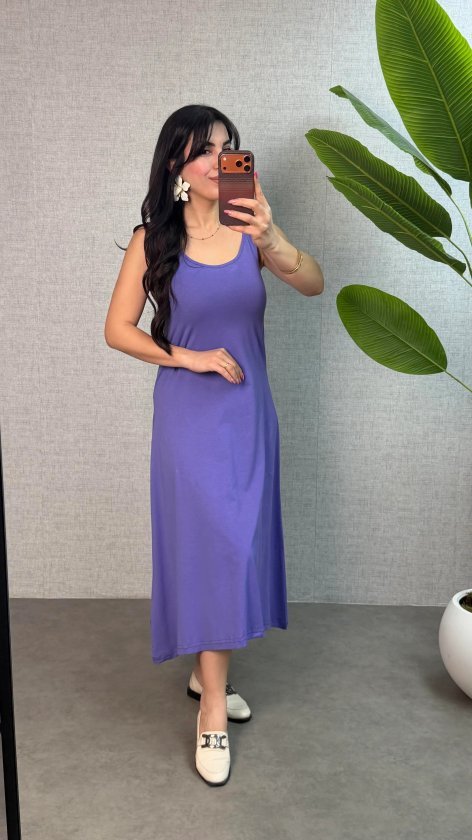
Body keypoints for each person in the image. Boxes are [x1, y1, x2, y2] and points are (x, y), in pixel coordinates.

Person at [104, 104, 324, 786]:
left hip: (249, 415)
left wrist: (273, 236)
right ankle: (211, 715)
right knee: (213, 547)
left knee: (238, 545)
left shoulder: (249, 225)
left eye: (226, 147)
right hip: (188, 418)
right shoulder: (153, 239)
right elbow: (118, 329)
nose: (217, 160)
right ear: (176, 164)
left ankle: (207, 676)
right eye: (202, 150)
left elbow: (312, 282)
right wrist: (189, 357)